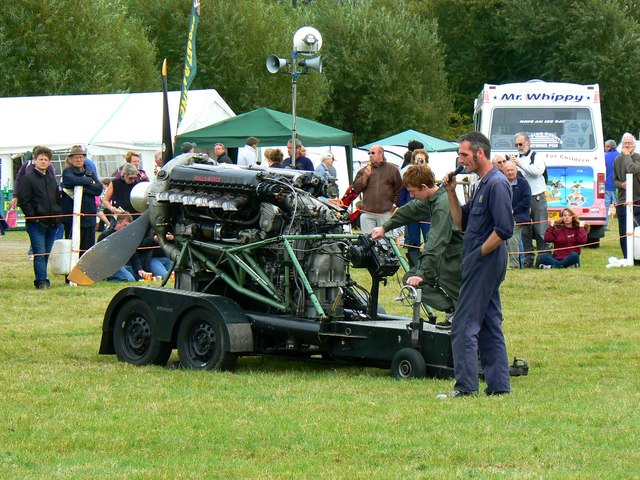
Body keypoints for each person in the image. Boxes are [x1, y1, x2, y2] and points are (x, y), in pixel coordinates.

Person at [441, 131, 513, 398]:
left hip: (485, 262)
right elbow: (461, 223)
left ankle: (466, 387)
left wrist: (477, 255)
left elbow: (504, 229)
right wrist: (451, 192)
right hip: (480, 261)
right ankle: (499, 386)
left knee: (463, 323)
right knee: (490, 322)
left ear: (480, 153)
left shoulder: (497, 184)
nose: (461, 160)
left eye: (464, 154)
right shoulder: (481, 184)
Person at [371, 164, 463, 329]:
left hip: (455, 260)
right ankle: (452, 310)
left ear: (424, 187)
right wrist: (385, 227)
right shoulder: (432, 199)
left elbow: (435, 242)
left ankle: (460, 314)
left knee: (458, 294)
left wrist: (421, 273)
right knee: (410, 279)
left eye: (413, 191)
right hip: (444, 257)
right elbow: (411, 210)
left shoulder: (443, 205)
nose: (411, 196)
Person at [17, 146, 62, 289]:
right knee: (39, 252)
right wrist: (33, 216)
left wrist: (57, 214)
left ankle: (43, 278)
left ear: (49, 162)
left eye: (46, 160)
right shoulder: (28, 179)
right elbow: (24, 200)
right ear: (35, 161)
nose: (43, 162)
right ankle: (41, 281)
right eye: (40, 159)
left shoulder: (51, 179)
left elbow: (57, 197)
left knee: (46, 252)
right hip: (36, 223)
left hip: (51, 221)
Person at [508, 132, 548, 268]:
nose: (519, 147)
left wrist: (519, 164)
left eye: (521, 144)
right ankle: (528, 260)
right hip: (522, 197)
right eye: (516, 145)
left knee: (541, 229)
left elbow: (537, 171)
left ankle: (544, 259)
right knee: (524, 231)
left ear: (528, 143)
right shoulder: (516, 159)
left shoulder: (536, 156)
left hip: (537, 196)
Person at [61, 145, 103, 256]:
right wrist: (88, 182)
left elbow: (98, 189)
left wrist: (82, 187)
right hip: (72, 218)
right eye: (76, 157)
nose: (79, 160)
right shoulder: (67, 172)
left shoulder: (89, 171)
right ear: (70, 159)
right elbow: (70, 181)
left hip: (89, 217)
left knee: (88, 250)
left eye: (81, 157)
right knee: (72, 248)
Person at [352, 144, 402, 234]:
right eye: (369, 153)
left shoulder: (392, 170)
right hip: (367, 213)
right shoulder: (363, 171)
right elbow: (355, 189)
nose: (370, 155)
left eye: (373, 153)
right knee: (368, 242)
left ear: (381, 154)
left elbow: (399, 189)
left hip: (385, 213)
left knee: (385, 243)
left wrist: (394, 206)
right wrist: (365, 177)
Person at [401, 149, 431, 267]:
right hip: (412, 214)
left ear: (426, 162)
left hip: (427, 214)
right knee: (413, 242)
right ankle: (414, 267)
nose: (419, 163)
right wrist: (404, 207)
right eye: (417, 160)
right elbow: (402, 194)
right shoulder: (407, 176)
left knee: (429, 239)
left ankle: (429, 266)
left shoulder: (430, 176)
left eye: (422, 160)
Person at [613, 133, 640, 258]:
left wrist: (627, 155)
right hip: (623, 201)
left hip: (637, 200)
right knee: (623, 232)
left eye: (629, 143)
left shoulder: (639, 158)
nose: (627, 145)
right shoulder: (617, 160)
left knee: (636, 231)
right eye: (625, 143)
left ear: (634, 145)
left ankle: (637, 257)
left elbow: (631, 169)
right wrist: (621, 185)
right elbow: (614, 180)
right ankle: (626, 257)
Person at [503, 160, 531, 269]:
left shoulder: (523, 183)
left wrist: (513, 211)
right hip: (503, 216)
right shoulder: (501, 183)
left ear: (516, 170)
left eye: (512, 170)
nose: (510, 172)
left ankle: (515, 264)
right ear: (503, 172)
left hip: (518, 217)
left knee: (512, 236)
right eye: (507, 170)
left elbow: (527, 201)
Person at [604, 139, 618, 228]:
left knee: (605, 208)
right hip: (618, 186)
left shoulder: (604, 156)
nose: (604, 148)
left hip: (607, 185)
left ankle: (605, 225)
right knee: (620, 207)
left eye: (605, 146)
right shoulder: (620, 155)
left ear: (609, 147)